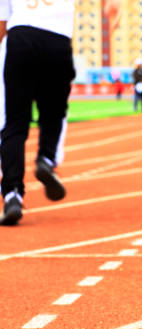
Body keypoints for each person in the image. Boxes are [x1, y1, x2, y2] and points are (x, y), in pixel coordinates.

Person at [0, 0, 120, 225]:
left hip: (21, 37)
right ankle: (46, 158)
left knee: (14, 122)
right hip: (58, 40)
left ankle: (12, 194)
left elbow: (2, 23)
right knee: (54, 113)